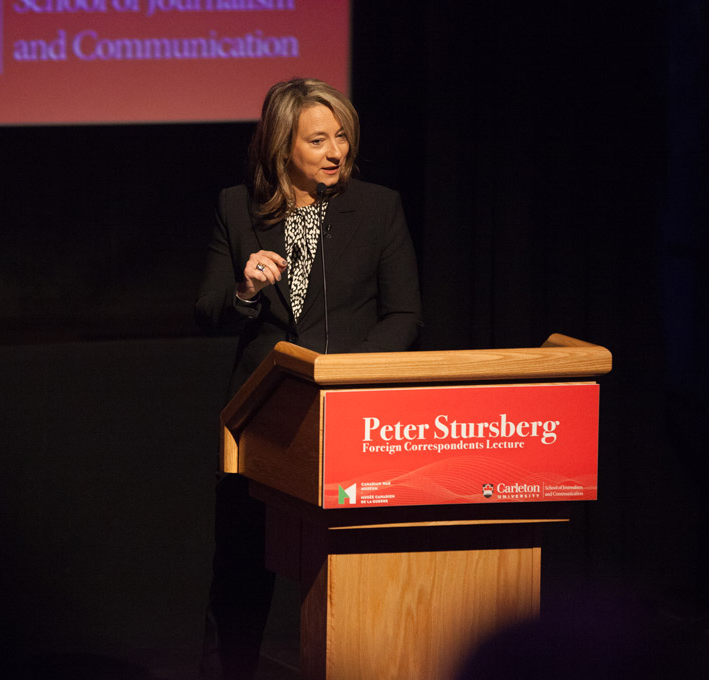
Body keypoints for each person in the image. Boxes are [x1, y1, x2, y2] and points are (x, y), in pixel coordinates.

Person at [194, 78, 422, 679]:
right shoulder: (236, 207)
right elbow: (207, 310)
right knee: (241, 571)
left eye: (341, 135)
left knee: (345, 569)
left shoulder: (377, 207)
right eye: (317, 139)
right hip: (263, 413)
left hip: (352, 413)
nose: (335, 151)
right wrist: (244, 288)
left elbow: (404, 313)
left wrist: (349, 375)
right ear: (281, 146)